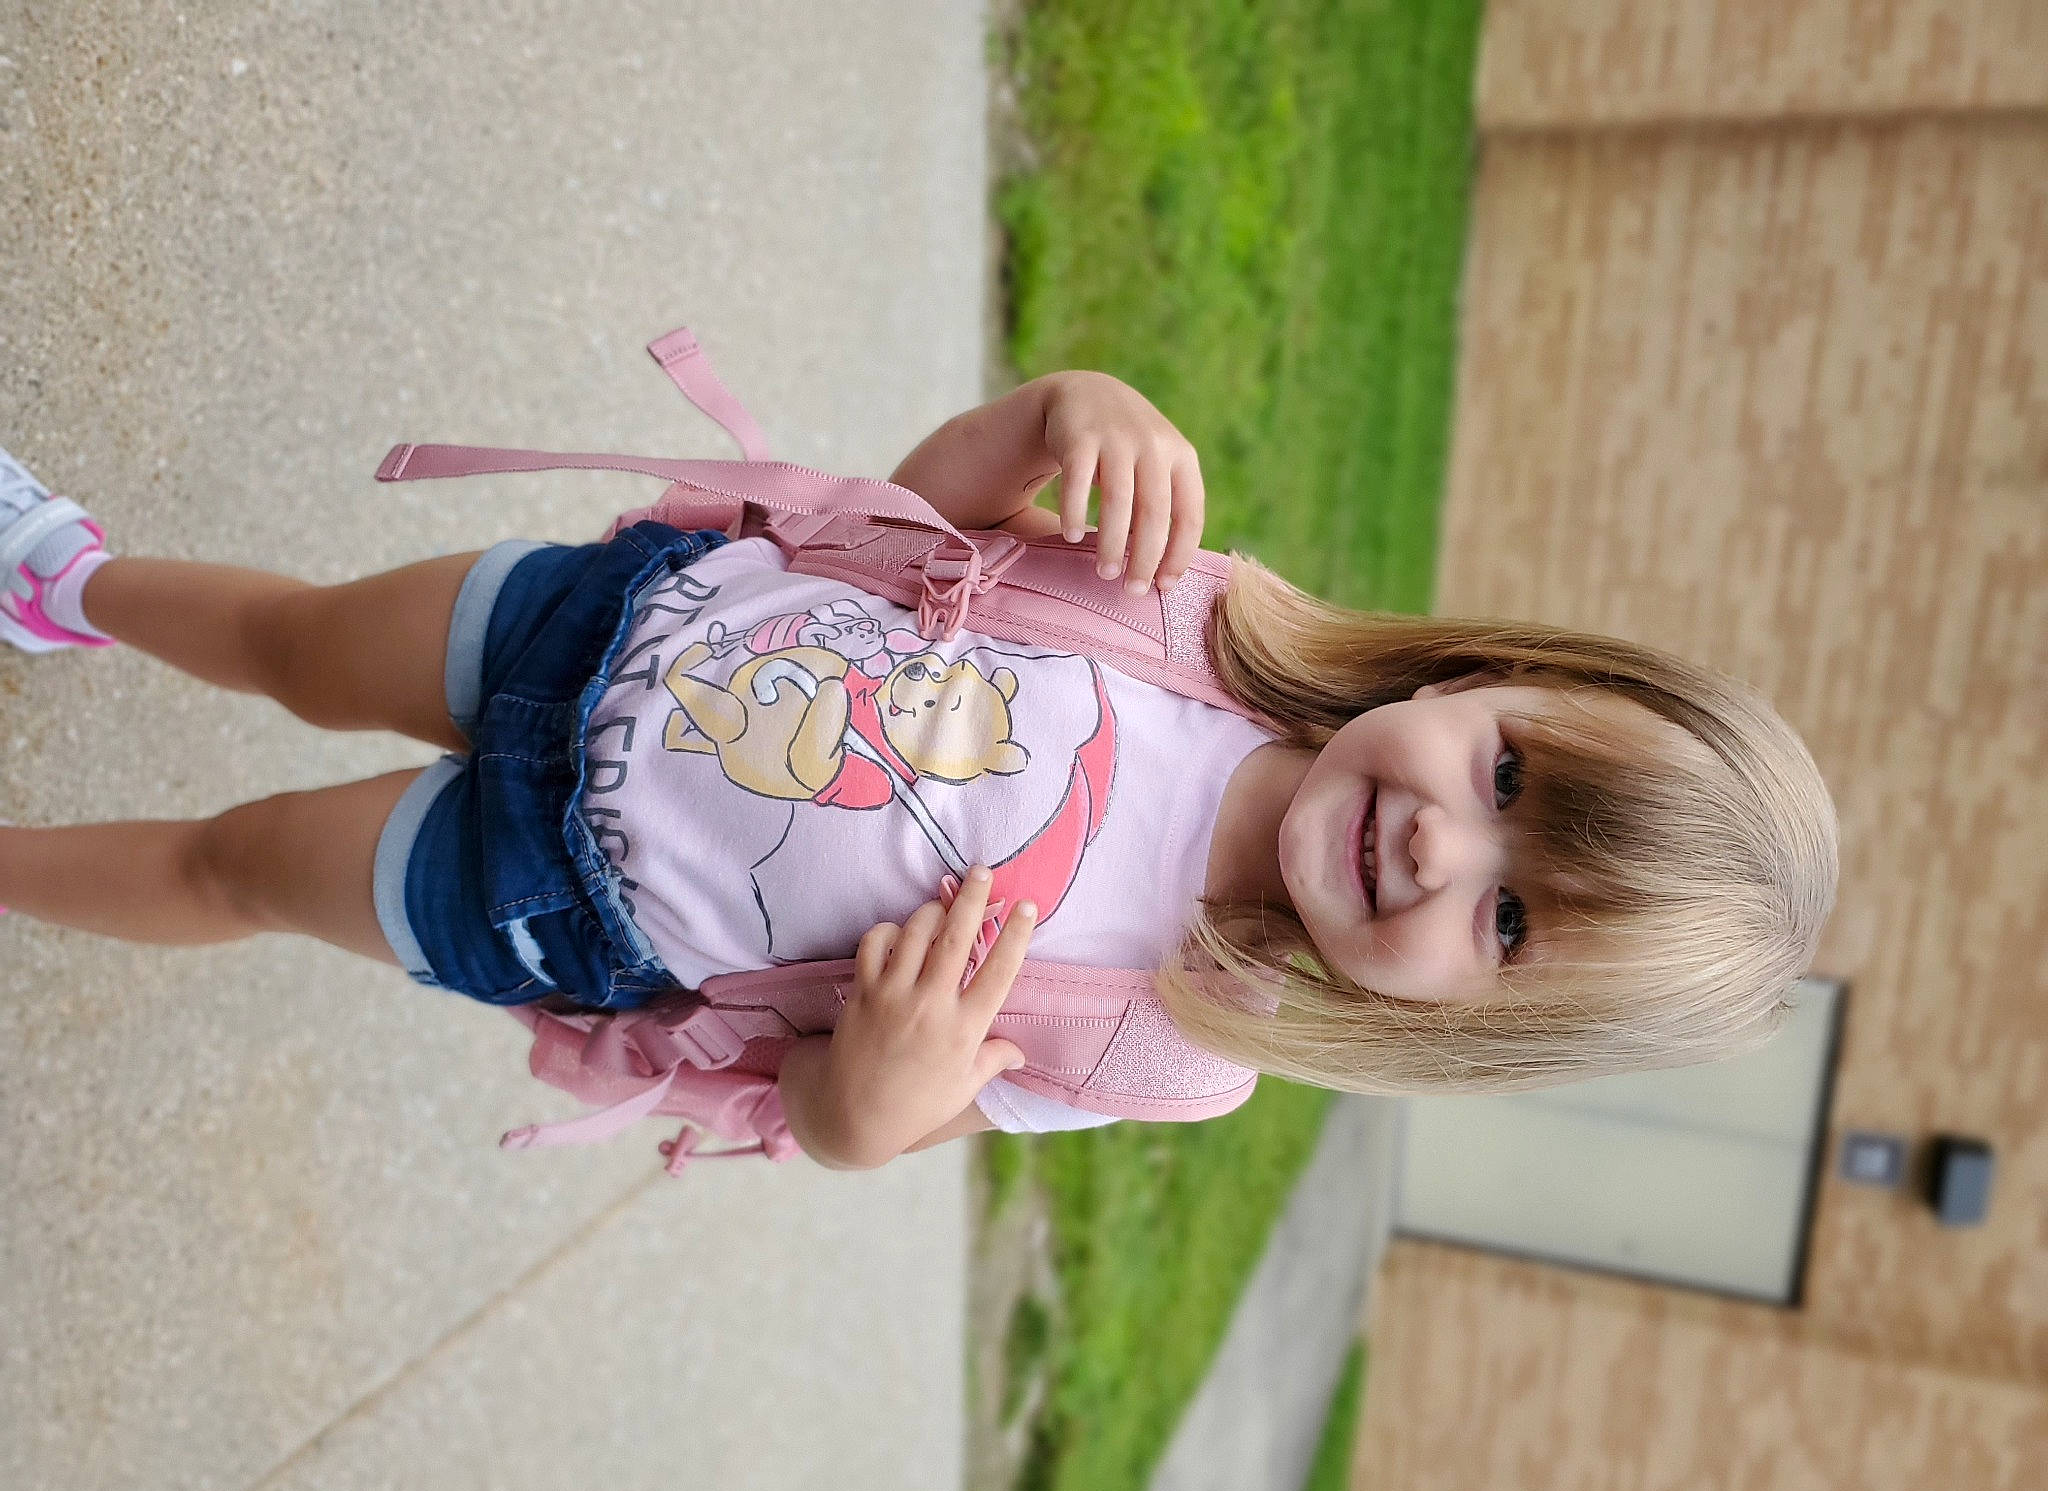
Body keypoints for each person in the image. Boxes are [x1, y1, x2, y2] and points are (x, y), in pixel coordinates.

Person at [0, 369, 1837, 1170]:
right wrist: (1065, 411)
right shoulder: (1212, 616)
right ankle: (71, 583)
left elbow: (854, 1125)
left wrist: (871, 1098)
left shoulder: (1170, 1046)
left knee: (241, 866)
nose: (1441, 844)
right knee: (302, 641)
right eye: (1506, 771)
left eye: (1507, 919)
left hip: (574, 904)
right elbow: (916, 520)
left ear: (1470, 1024)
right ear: (1486, 677)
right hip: (629, 629)